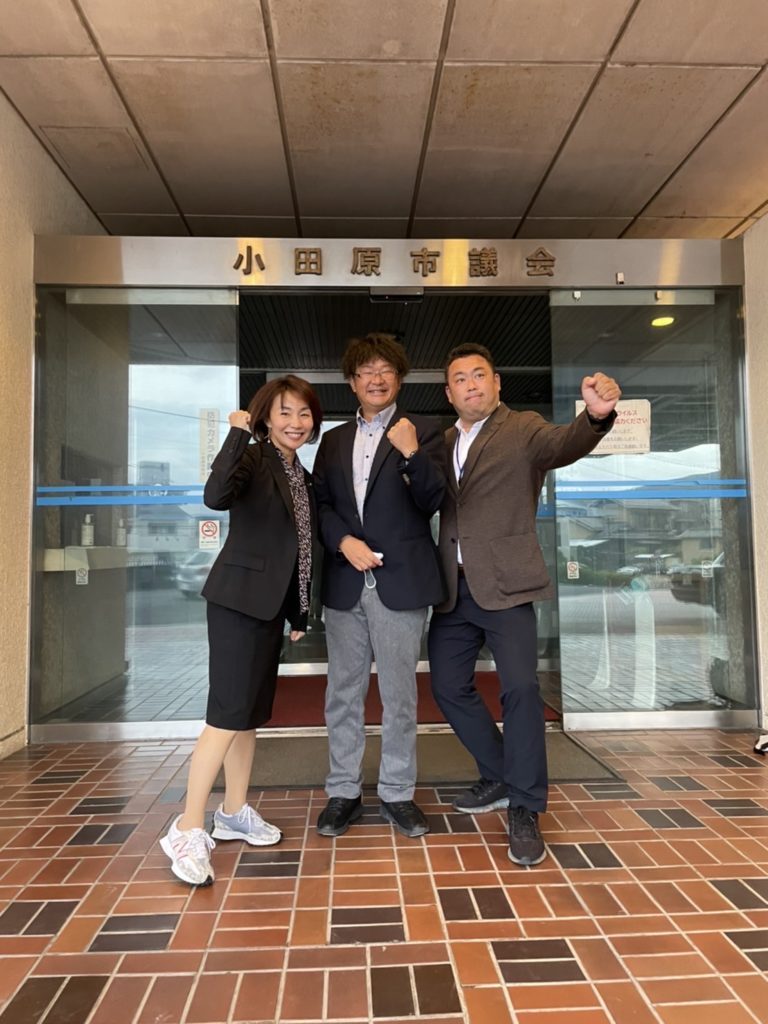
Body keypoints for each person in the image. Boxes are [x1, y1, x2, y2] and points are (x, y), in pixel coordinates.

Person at [428, 343, 620, 866]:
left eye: (479, 375)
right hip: (453, 589)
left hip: (507, 586)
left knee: (520, 690)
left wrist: (595, 417)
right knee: (447, 686)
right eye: (460, 379)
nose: (471, 384)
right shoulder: (443, 442)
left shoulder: (523, 428)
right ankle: (501, 775)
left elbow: (564, 443)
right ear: (449, 392)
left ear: (496, 383)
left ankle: (526, 807)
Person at [160, 375, 322, 886]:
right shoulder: (253, 457)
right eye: (285, 412)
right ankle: (187, 827)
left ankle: (232, 812)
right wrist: (236, 433)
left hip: (269, 608)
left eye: (304, 413)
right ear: (265, 418)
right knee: (227, 713)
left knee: (248, 715)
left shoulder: (301, 474)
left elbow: (300, 547)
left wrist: (299, 612)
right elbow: (215, 496)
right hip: (236, 602)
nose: (296, 422)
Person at [313, 333, 446, 839]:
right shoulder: (332, 440)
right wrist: (342, 540)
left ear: (399, 378)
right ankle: (343, 791)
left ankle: (397, 792)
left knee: (399, 694)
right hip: (346, 581)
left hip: (401, 582)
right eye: (365, 370)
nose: (376, 378)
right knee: (342, 693)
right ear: (352, 382)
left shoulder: (424, 430)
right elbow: (322, 505)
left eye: (385, 369)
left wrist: (411, 453)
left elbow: (434, 499)